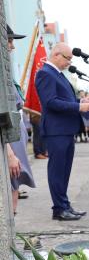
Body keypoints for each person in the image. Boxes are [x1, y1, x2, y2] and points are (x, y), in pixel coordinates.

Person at [35, 42, 89, 221]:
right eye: (68, 58)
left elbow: (64, 97)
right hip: (56, 131)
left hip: (66, 129)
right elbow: (51, 102)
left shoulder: (57, 74)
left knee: (65, 171)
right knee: (57, 171)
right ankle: (59, 209)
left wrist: (81, 100)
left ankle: (65, 205)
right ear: (56, 55)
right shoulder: (45, 73)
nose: (69, 62)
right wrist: (78, 107)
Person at [6, 25, 35, 215]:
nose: (12, 47)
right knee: (11, 187)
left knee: (14, 187)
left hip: (17, 140)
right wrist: (9, 154)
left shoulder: (6, 72)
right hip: (10, 143)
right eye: (9, 41)